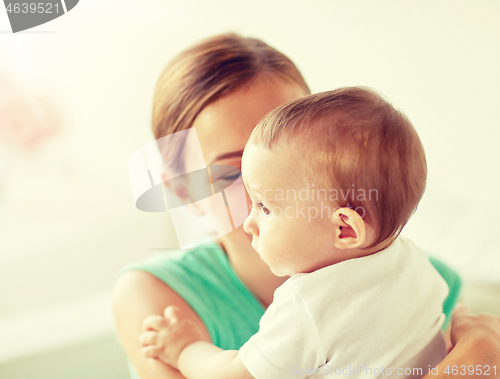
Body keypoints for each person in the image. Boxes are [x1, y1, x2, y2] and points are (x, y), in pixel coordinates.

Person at [113, 33, 500, 379]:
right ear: (180, 189)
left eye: (296, 162)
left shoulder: (431, 280)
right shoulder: (155, 300)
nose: (267, 191)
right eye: (234, 171)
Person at [138, 87, 451, 378]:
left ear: (344, 228)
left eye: (266, 207)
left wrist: (184, 349)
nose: (250, 221)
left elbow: (234, 375)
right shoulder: (411, 260)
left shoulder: (307, 304)